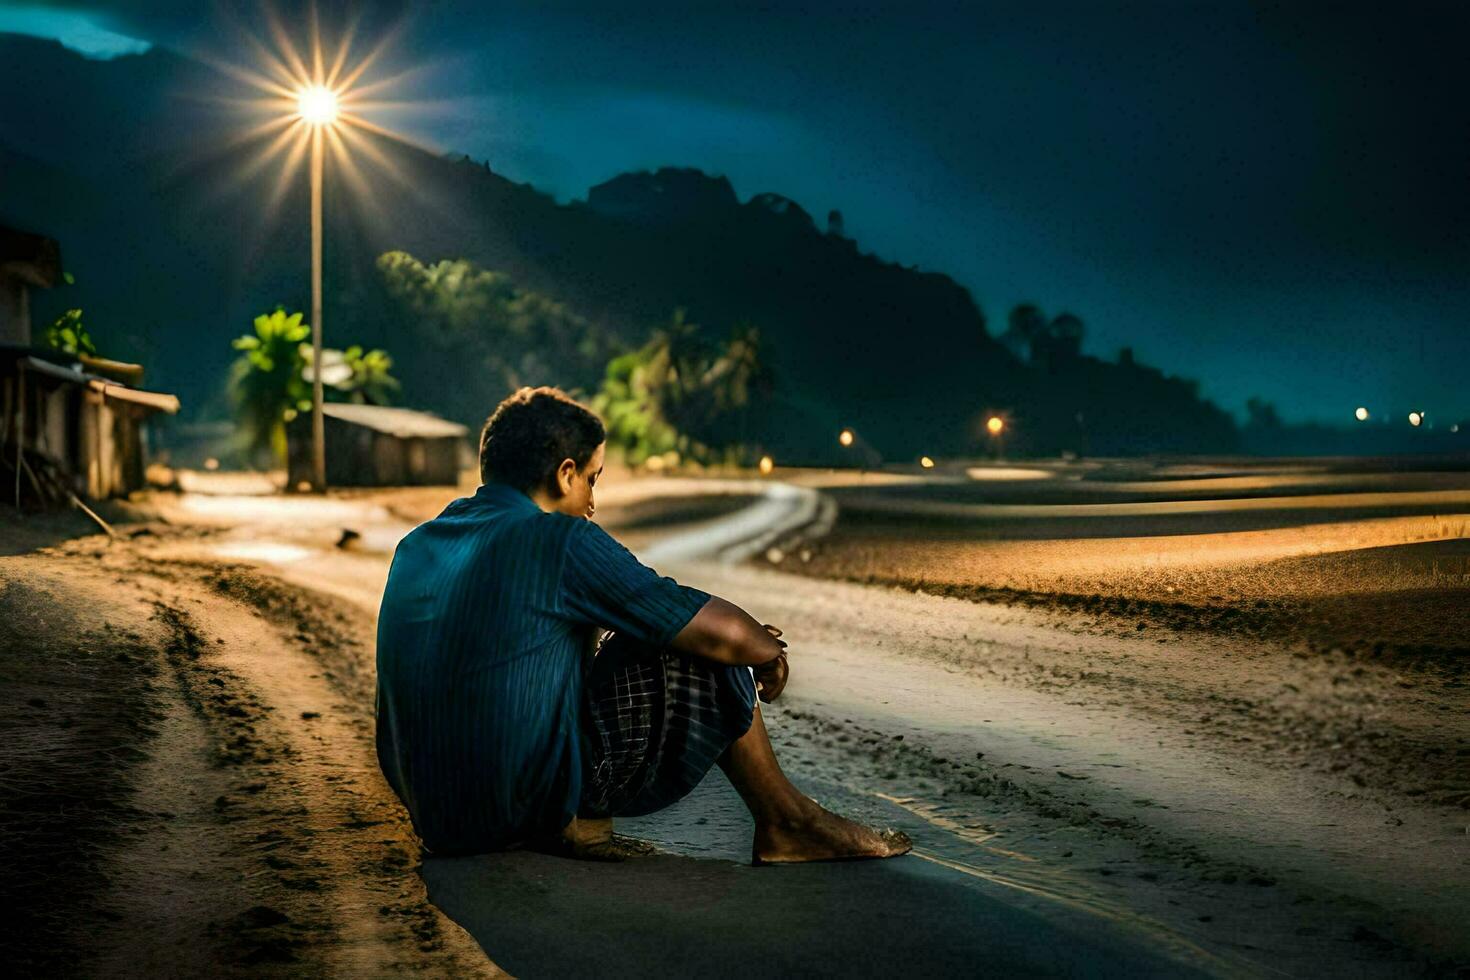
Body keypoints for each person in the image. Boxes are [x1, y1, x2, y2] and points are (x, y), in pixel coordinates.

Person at [376, 386, 911, 864]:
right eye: (592, 480)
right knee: (699, 644)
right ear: (565, 473)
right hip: (511, 810)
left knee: (645, 626)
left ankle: (782, 821)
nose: (592, 503)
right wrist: (765, 651)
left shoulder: (419, 542)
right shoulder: (559, 539)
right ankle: (788, 822)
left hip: (439, 817)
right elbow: (721, 633)